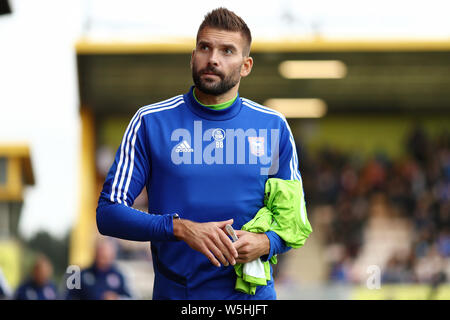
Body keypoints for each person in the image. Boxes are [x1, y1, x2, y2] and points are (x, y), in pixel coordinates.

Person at [96, 7, 309, 299]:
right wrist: (180, 228)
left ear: (245, 65)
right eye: (205, 47)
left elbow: (292, 221)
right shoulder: (150, 122)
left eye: (227, 51)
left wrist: (267, 242)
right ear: (192, 56)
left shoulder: (272, 127)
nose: (213, 59)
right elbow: (109, 213)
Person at [65, 238, 133, 300]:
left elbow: (130, 297)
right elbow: (69, 296)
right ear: (95, 252)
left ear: (113, 255)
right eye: (101, 254)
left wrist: (117, 298)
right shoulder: (80, 275)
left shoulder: (119, 276)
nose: (103, 259)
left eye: (106, 256)